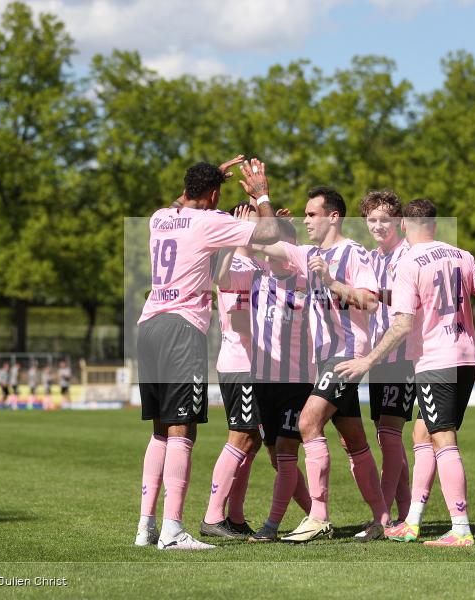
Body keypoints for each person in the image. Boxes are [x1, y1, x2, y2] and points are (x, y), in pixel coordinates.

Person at [336, 199, 475, 547]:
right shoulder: (462, 255)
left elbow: (403, 324)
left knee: (443, 438)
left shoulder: (409, 262)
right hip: (465, 357)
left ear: (404, 226)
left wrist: (368, 360)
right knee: (422, 433)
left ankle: (460, 529)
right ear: (435, 225)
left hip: (434, 360)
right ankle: (411, 522)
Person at [135, 157, 279, 551]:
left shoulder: (160, 217)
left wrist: (208, 176)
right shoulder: (209, 222)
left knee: (160, 431)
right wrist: (261, 194)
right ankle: (172, 530)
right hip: (182, 329)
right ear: (214, 195)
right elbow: (268, 231)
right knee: (183, 430)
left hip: (149, 325)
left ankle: (146, 526)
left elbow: (182, 202)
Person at [256, 186, 388, 543]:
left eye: (312, 214)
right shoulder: (308, 254)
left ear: (333, 216)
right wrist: (261, 200)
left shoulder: (353, 252)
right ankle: (383, 518)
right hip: (326, 358)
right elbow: (266, 245)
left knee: (308, 421)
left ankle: (318, 516)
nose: (306, 220)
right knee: (353, 440)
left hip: (346, 355)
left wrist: (330, 281)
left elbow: (371, 302)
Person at [221, 217, 314, 542]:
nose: (276, 254)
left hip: (297, 382)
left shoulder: (308, 282)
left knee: (286, 453)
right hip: (262, 382)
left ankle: (271, 527)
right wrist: (240, 235)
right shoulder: (256, 280)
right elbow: (223, 282)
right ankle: (317, 514)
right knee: (275, 455)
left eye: (283, 247)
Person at [200, 206, 262, 540]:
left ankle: (236, 517)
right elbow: (219, 278)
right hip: (240, 362)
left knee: (253, 440)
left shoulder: (259, 263)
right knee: (240, 435)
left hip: (260, 365)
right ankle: (212, 517)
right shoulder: (233, 262)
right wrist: (232, 234)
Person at [360, 189, 414, 524]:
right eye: (372, 220)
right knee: (387, 435)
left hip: (404, 355)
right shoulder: (370, 258)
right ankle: (406, 515)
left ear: (398, 221)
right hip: (378, 356)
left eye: (385, 219)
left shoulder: (409, 255)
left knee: (389, 434)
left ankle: (380, 517)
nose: (378, 226)